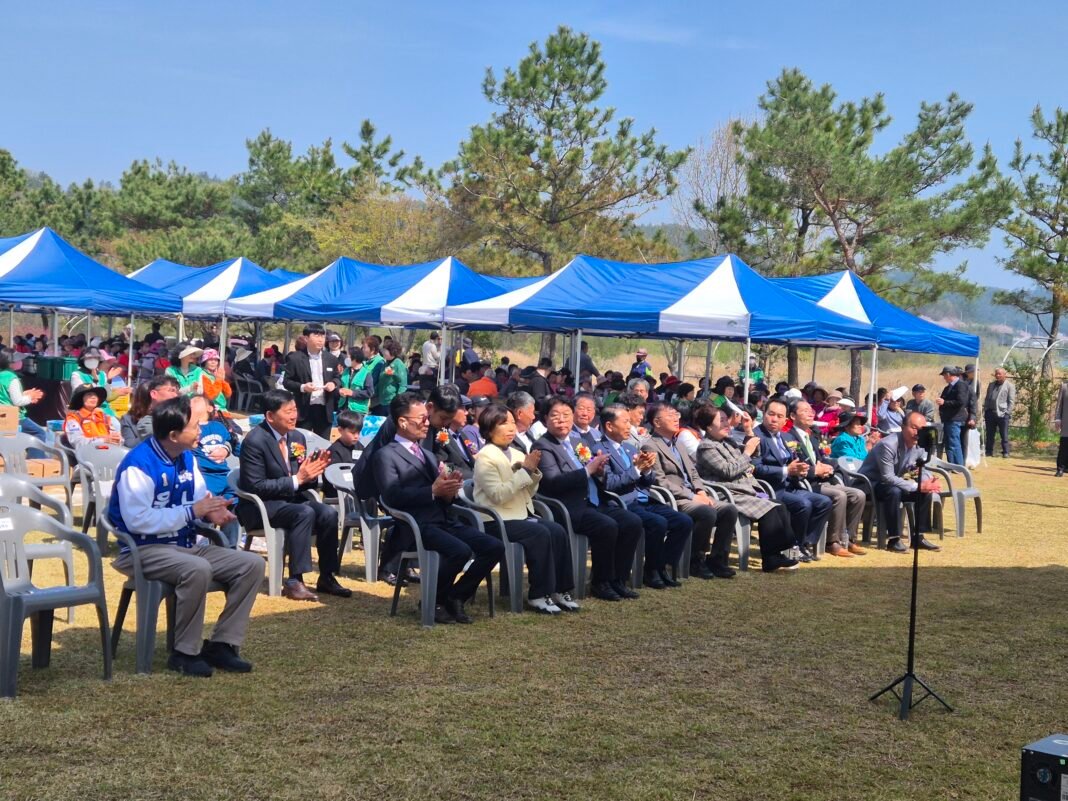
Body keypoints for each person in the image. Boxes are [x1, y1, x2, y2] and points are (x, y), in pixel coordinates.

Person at [108, 395, 263, 676]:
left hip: (184, 544)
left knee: (251, 564)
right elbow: (138, 521)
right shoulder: (138, 465)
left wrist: (212, 511)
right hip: (143, 549)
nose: (201, 431)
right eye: (195, 426)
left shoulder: (186, 457)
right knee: (197, 568)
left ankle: (223, 644)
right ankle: (184, 652)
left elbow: (199, 498)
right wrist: (193, 512)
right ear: (173, 435)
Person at [372, 392, 504, 624]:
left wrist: (450, 490)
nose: (427, 423)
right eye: (421, 419)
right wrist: (432, 491)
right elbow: (392, 496)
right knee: (459, 551)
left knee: (494, 546)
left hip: (443, 519)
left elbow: (441, 493)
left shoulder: (427, 455)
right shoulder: (386, 455)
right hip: (416, 523)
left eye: (426, 418)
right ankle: (434, 601)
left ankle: (455, 596)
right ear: (403, 422)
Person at [236, 388, 348, 601]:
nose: (294, 416)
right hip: (262, 506)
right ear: (270, 416)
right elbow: (255, 486)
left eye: (295, 410)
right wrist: (297, 479)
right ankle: (295, 580)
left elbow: (302, 480)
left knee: (328, 513)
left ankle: (327, 576)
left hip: (291, 500)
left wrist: (312, 473)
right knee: (304, 513)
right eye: (288, 411)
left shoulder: (297, 437)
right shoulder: (255, 441)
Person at [533, 396, 643, 602]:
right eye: (555, 416)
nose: (562, 420)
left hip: (593, 501)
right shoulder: (543, 446)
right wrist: (588, 470)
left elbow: (595, 472)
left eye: (566, 415)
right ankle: (601, 582)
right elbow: (553, 482)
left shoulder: (578, 441)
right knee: (606, 526)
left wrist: (599, 471)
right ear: (545, 419)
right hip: (569, 506)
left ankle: (618, 579)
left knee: (632, 521)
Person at [473, 404, 578, 614]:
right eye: (504, 424)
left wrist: (533, 473)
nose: (511, 428)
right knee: (539, 533)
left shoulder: (517, 453)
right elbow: (498, 495)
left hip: (519, 515)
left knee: (557, 530)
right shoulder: (485, 457)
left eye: (513, 422)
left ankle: (560, 590)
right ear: (489, 429)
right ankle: (539, 594)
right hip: (495, 520)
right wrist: (525, 471)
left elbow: (528, 492)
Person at [693, 405, 798, 573]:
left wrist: (749, 431)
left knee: (779, 505)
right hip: (727, 492)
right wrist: (747, 453)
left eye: (726, 419)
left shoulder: (727, 441)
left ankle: (776, 554)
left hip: (745, 490)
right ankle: (771, 557)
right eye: (721, 421)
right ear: (709, 426)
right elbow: (729, 471)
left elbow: (753, 453)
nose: (727, 424)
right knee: (770, 509)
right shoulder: (707, 447)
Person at [598, 404, 692, 588]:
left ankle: (662, 566)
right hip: (624, 502)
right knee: (658, 523)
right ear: (609, 426)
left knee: (683, 521)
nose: (629, 426)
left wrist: (647, 470)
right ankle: (651, 570)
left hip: (644, 499)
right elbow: (610, 483)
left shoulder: (629, 448)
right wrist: (636, 470)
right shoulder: (600, 450)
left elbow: (647, 481)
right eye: (625, 422)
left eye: (629, 422)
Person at [644, 402, 738, 579]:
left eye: (677, 415)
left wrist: (700, 490)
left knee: (729, 510)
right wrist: (691, 495)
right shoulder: (650, 446)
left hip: (693, 494)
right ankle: (695, 559)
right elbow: (659, 481)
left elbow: (693, 473)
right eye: (670, 416)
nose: (676, 419)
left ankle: (717, 559)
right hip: (674, 498)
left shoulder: (678, 443)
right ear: (656, 422)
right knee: (707, 512)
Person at [751, 397, 832, 563]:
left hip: (791, 485)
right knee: (803, 505)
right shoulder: (756, 436)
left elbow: (795, 461)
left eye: (779, 416)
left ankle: (803, 544)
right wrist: (786, 470)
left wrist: (802, 469)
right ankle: (793, 547)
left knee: (824, 502)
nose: (774, 419)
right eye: (771, 414)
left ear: (785, 420)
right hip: (768, 489)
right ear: (764, 414)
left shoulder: (785, 437)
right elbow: (756, 468)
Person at [786, 400, 866, 557]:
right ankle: (832, 542)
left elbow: (821, 459)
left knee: (858, 495)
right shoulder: (789, 437)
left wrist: (828, 467)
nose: (811, 414)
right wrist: (815, 471)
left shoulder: (812, 436)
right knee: (839, 496)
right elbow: (793, 465)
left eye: (811, 411)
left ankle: (849, 539)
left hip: (823, 480)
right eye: (805, 411)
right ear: (793, 416)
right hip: (806, 484)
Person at [858, 411, 943, 553]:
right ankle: (894, 539)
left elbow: (921, 468)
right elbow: (887, 477)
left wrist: (928, 482)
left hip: (889, 485)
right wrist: (917, 485)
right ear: (903, 427)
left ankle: (918, 537)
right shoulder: (888, 444)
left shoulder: (919, 445)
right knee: (894, 491)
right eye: (914, 428)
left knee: (924, 492)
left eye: (921, 429)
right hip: (870, 485)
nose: (917, 432)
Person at [191, 395, 241, 547]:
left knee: (233, 504)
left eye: (197, 400)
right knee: (207, 505)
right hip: (204, 476)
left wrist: (227, 447)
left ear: (210, 408)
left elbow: (235, 444)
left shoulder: (219, 426)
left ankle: (230, 547)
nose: (192, 402)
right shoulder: (189, 428)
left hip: (224, 476)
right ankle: (203, 543)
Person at [282, 323, 341, 439]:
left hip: (324, 409)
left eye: (323, 336)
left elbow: (337, 377)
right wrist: (303, 387)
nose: (320, 339)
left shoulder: (331, 359)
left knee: (323, 444)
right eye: (316, 335)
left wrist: (333, 384)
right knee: (300, 443)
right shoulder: (295, 358)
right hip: (304, 409)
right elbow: (287, 381)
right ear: (306, 338)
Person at [0, 350, 46, 443]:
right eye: (18, 360)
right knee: (39, 433)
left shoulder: (2, 375)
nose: (21, 362)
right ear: (11, 363)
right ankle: (33, 453)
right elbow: (18, 401)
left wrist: (24, 394)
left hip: (2, 414)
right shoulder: (12, 378)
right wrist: (30, 397)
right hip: (12, 417)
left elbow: (4, 395)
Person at [121, 375, 180, 447]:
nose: (175, 395)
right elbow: (129, 443)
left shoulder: (175, 416)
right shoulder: (131, 420)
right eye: (171, 391)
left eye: (176, 392)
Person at [432, 394, 478, 480]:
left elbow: (472, 457)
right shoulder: (440, 436)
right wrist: (474, 476)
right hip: (459, 483)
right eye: (463, 409)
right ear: (451, 411)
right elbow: (445, 467)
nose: (466, 412)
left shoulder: (461, 434)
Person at [935, 366, 969, 465]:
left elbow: (961, 402)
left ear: (948, 374)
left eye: (944, 375)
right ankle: (951, 464)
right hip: (948, 419)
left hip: (955, 418)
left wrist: (944, 402)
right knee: (949, 443)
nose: (944, 378)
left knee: (954, 443)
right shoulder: (948, 387)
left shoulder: (961, 385)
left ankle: (958, 466)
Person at [983, 367, 1016, 458]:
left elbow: (1011, 401)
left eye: (999, 374)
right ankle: (988, 452)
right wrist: (985, 409)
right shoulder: (991, 385)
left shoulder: (1009, 386)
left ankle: (1005, 452)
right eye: (996, 374)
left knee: (1004, 434)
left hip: (1002, 413)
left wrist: (1007, 413)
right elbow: (987, 398)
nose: (997, 375)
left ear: (1005, 375)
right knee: (989, 434)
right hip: (990, 413)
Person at [372, 341, 408, 417]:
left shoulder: (398, 364)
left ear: (392, 351)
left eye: (386, 350)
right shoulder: (385, 363)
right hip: (382, 400)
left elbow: (403, 384)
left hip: (392, 401)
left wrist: (398, 400)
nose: (383, 352)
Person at [337, 346, 375, 414]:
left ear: (354, 358)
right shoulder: (346, 371)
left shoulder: (366, 373)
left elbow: (370, 392)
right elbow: (340, 384)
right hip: (343, 407)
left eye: (348, 357)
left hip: (357, 410)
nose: (346, 359)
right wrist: (339, 391)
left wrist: (352, 393)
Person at [199, 349, 232, 415]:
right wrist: (219, 380)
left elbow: (228, 394)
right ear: (204, 362)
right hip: (210, 409)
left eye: (216, 360)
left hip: (222, 409)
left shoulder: (215, 374)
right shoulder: (202, 375)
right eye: (210, 360)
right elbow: (210, 395)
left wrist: (223, 381)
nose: (213, 362)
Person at [1054, 380, 1068, 477]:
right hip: (1066, 422)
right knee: (1064, 446)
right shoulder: (1064, 387)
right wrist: (1058, 419)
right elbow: (1059, 405)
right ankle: (1060, 469)